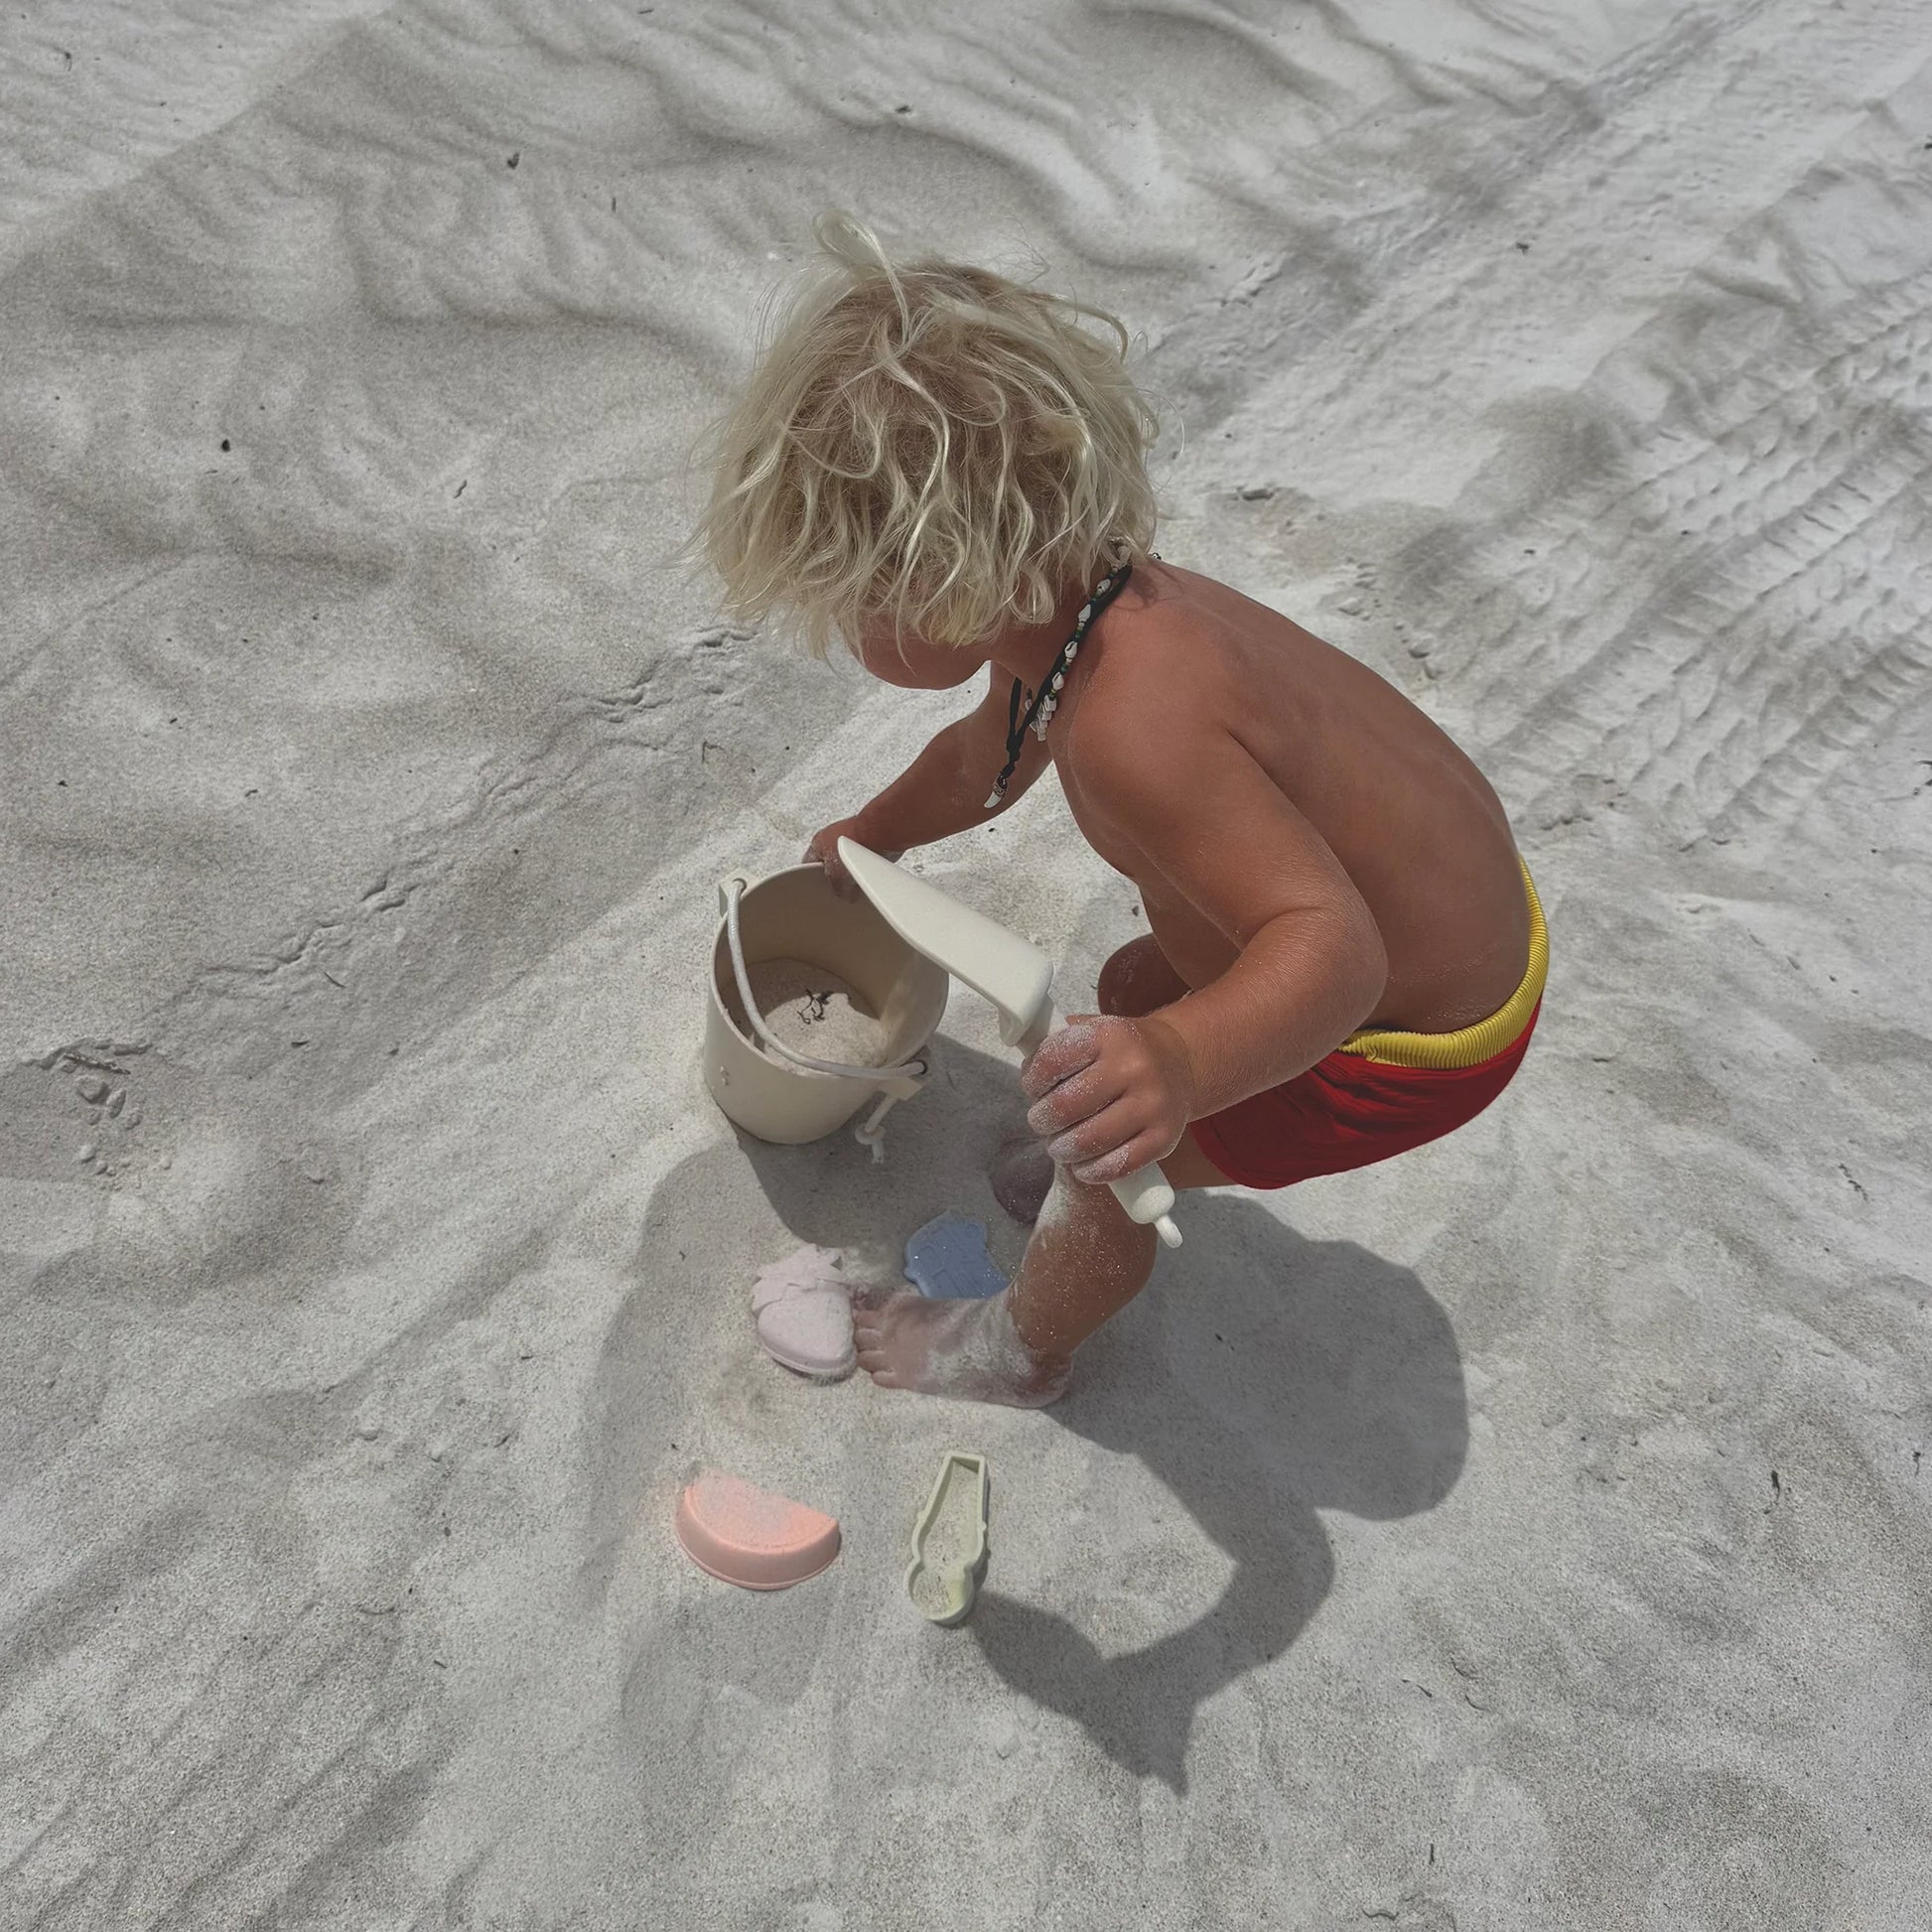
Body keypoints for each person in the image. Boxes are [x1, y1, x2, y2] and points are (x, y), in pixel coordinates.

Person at [688, 214, 1546, 1407]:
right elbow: (986, 749)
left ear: (947, 579)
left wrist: (1184, 1064)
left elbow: (1335, 955)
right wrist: (877, 830)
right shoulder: (1083, 610)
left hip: (1411, 1039)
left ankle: (1019, 1348)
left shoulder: (1139, 726)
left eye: (850, 600)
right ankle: (1151, 1069)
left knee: (1109, 1149)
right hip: (1454, 913)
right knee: (1139, 988)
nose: (842, 632)